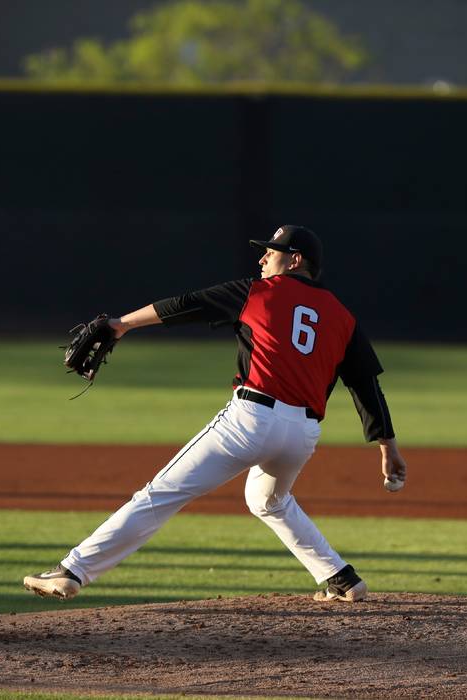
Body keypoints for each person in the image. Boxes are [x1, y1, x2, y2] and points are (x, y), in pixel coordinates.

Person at [24, 225, 407, 603]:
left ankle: (73, 570)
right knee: (268, 501)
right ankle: (340, 577)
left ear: (294, 260)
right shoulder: (343, 316)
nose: (262, 258)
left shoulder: (256, 292)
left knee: (161, 494)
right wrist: (387, 447)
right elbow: (366, 386)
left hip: (252, 419)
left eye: (270, 252)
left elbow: (186, 304)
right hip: (302, 433)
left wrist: (122, 324)